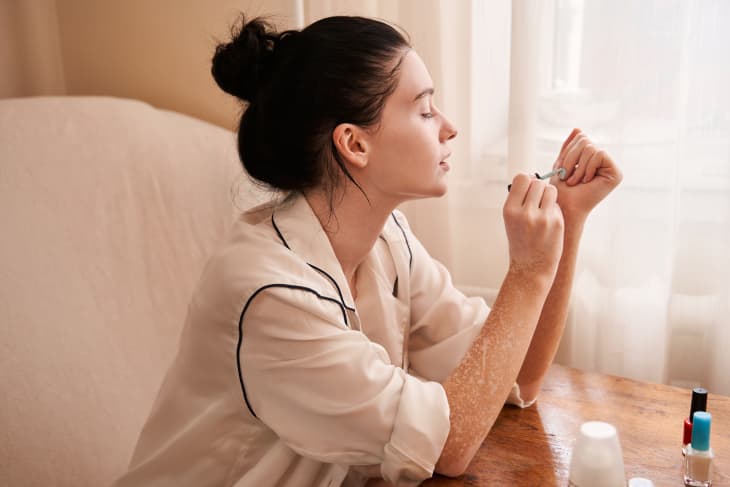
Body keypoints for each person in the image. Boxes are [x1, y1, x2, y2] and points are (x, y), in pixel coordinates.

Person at [112, 14, 622, 487]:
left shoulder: (387, 240)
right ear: (355, 144)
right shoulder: (270, 294)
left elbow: (518, 379)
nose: (448, 127)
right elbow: (448, 448)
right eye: (424, 110)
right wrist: (527, 274)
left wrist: (569, 221)